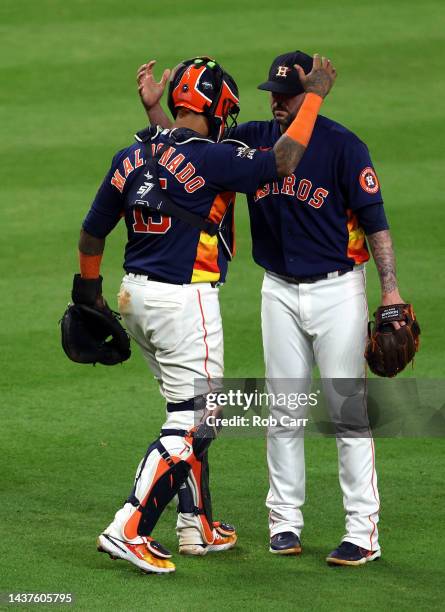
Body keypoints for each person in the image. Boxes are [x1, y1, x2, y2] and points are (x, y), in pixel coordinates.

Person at [139, 50, 408, 566]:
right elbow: (191, 152)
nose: (277, 102)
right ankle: (284, 523)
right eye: (274, 94)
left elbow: (375, 222)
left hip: (338, 291)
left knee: (347, 414)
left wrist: (390, 291)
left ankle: (362, 533)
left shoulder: (344, 147)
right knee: (283, 412)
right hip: (278, 292)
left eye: (287, 95)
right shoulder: (255, 139)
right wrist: (157, 113)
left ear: (311, 94)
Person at [75, 54, 336, 574]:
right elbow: (282, 161)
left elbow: (94, 229)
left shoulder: (134, 153)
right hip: (183, 300)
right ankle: (128, 527)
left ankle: (196, 526)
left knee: (188, 408)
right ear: (216, 109)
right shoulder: (216, 157)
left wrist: (88, 292)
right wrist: (314, 99)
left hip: (134, 299)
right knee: (199, 420)